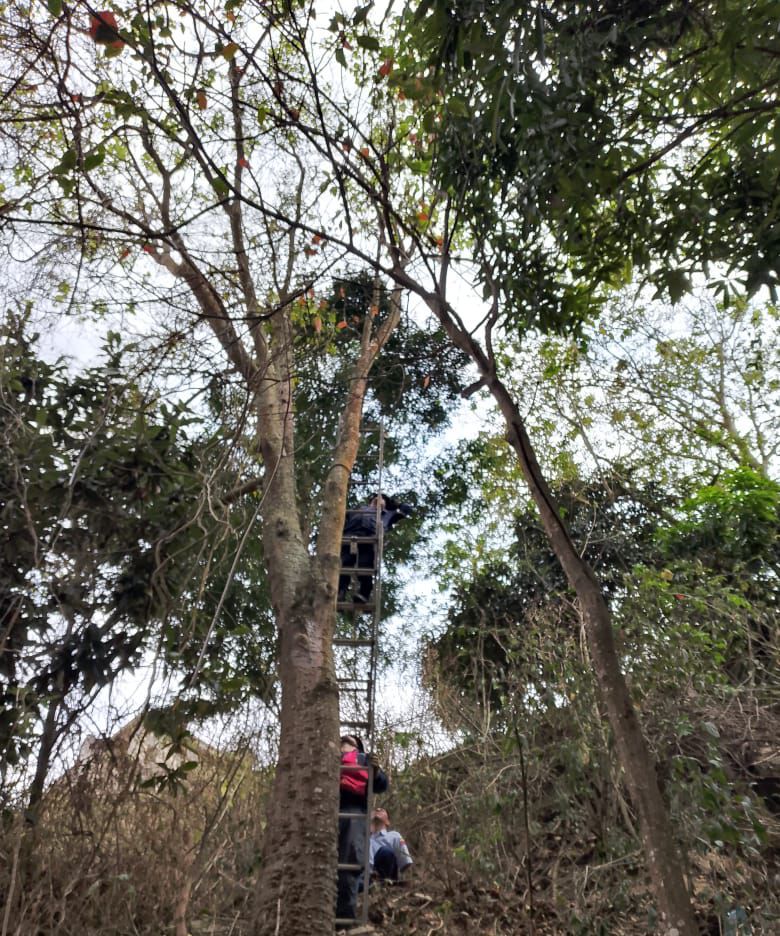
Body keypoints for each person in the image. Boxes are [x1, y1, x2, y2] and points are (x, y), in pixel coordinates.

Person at [337, 735, 388, 924]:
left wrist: (375, 771)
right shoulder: (329, 756)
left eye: (349, 742)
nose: (344, 743)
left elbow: (382, 785)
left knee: (349, 864)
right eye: (343, 740)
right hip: (326, 810)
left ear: (356, 747)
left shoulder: (363, 759)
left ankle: (344, 920)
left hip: (353, 813)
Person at [338, 494, 413, 604]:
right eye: (375, 498)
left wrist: (394, 504)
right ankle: (340, 592)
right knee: (346, 564)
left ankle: (363, 594)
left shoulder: (389, 514)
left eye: (382, 499)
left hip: (370, 537)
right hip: (350, 535)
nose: (378, 499)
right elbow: (342, 517)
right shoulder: (359, 509)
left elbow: (407, 509)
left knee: (365, 565)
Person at [369, 807, 413, 883]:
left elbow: (405, 862)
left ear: (387, 822)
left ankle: (384, 882)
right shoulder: (364, 839)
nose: (378, 811)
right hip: (367, 876)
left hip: (388, 875)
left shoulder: (394, 836)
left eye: (381, 811)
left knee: (385, 851)